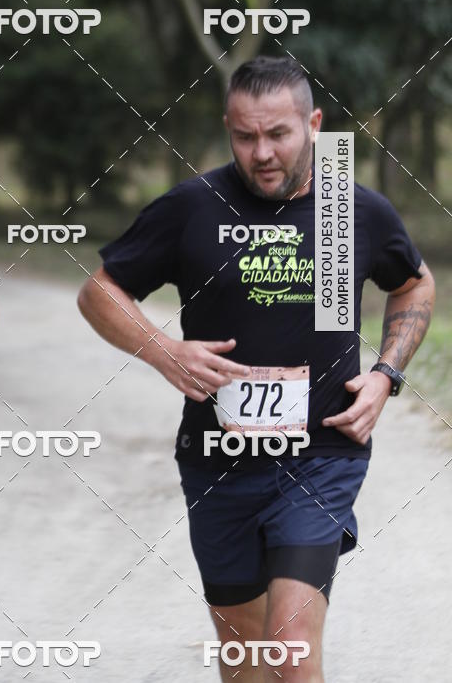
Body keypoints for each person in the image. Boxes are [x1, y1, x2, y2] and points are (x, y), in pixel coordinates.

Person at [77, 56, 435, 681]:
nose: (261, 152)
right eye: (245, 136)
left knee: (291, 651)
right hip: (218, 465)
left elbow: (414, 285)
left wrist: (386, 374)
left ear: (314, 125)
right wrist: (165, 352)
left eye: (278, 134)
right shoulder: (194, 208)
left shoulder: (349, 211)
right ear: (228, 130)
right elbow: (99, 292)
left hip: (322, 458)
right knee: (247, 662)